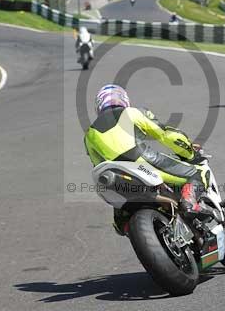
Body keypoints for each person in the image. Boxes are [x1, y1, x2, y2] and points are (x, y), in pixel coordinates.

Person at [84, 85, 209, 235]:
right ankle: (189, 201)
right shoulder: (130, 112)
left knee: (120, 222)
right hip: (143, 162)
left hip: (118, 179)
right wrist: (190, 153)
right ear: (124, 100)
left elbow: (98, 165)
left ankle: (124, 219)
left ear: (99, 106)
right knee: (197, 174)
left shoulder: (89, 135)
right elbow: (166, 135)